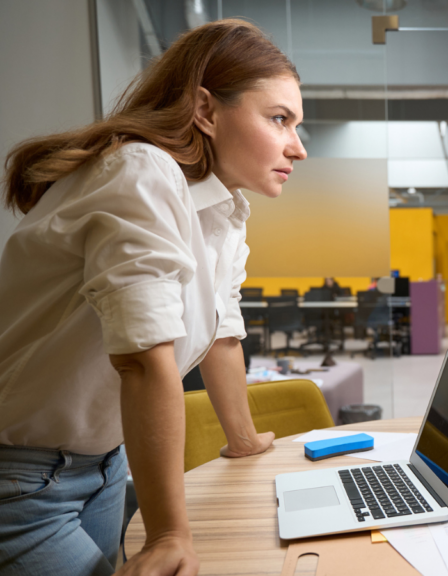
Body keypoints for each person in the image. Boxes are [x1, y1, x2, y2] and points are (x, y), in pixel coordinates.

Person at [0, 20, 307, 576]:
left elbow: (222, 333)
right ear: (206, 111)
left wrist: (242, 439)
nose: (298, 148)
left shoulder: (223, 211)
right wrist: (170, 533)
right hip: (21, 479)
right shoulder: (140, 172)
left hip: (103, 465)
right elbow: (142, 360)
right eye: (279, 119)